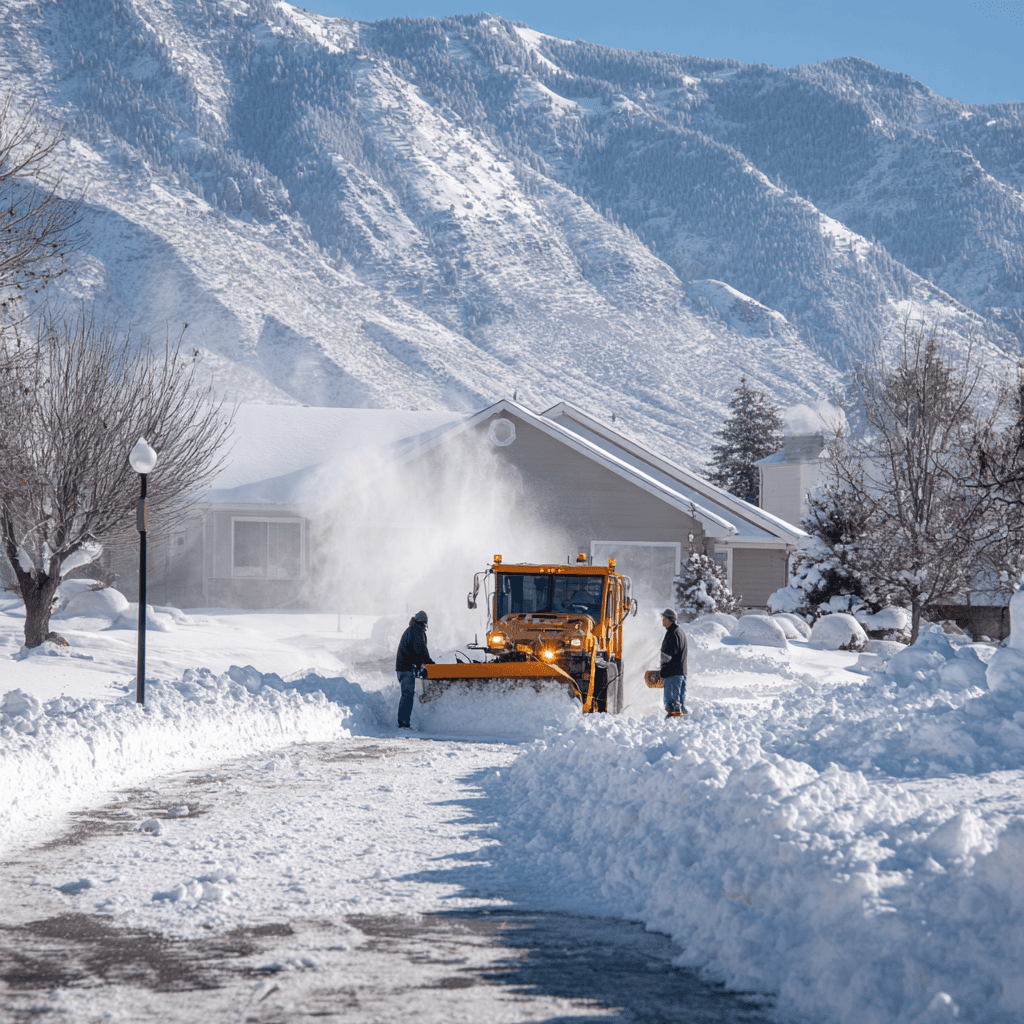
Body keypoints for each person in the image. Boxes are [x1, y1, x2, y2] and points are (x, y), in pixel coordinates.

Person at [395, 610, 434, 729]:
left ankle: (404, 722)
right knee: (407, 695)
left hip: (404, 668)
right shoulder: (416, 630)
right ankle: (403, 724)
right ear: (423, 623)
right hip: (406, 669)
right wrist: (430, 663)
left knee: (407, 695)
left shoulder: (412, 629)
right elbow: (420, 649)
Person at [660, 608, 688, 719]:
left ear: (669, 620)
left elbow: (667, 656)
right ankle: (683, 724)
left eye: (664, 618)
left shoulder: (672, 634)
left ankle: (673, 723)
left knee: (672, 703)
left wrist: (663, 670)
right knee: (680, 702)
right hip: (681, 672)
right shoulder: (680, 632)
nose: (663, 620)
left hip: (672, 673)